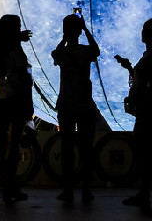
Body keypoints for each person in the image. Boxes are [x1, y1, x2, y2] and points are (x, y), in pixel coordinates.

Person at [51, 12, 101, 203]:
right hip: (85, 105)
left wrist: (64, 38)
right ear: (79, 31)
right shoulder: (86, 52)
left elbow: (56, 54)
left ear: (64, 30)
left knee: (67, 149)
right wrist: (86, 29)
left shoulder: (62, 53)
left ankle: (68, 189)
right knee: (86, 149)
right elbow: (96, 50)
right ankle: (86, 189)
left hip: (66, 105)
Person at [0, 14, 33, 202]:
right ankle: (9, 187)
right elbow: (22, 78)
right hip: (15, 101)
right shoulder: (14, 50)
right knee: (13, 146)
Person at [121, 18, 152, 209]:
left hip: (150, 111)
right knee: (146, 151)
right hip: (147, 109)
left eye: (145, 30)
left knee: (146, 150)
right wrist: (129, 68)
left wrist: (140, 96)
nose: (142, 33)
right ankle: (146, 192)